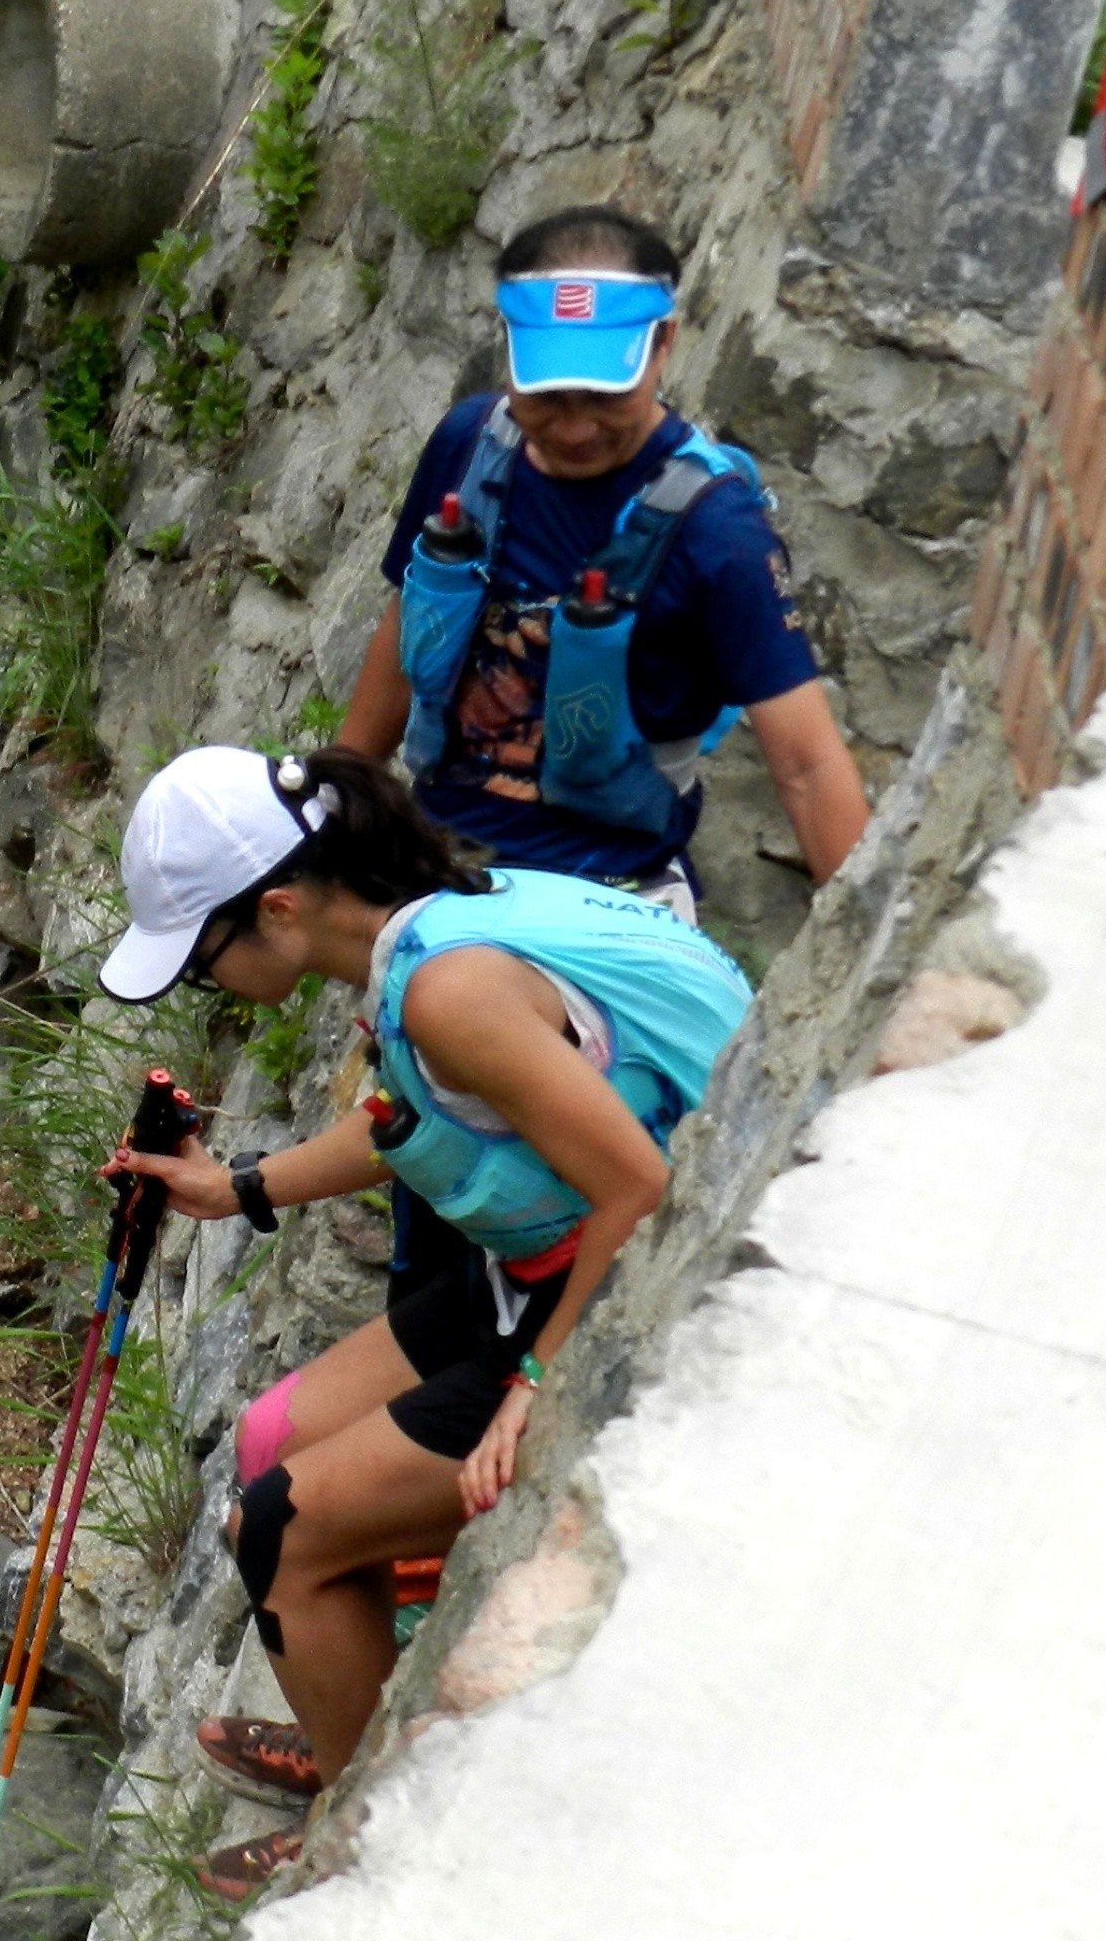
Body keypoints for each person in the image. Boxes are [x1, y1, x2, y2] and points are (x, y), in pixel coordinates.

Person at [94, 748, 752, 1897]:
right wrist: (235, 1186)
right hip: (538, 1256)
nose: (203, 988)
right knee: (268, 1438)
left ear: (279, 911)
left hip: (622, 1277)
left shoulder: (447, 990)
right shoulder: (443, 925)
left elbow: (638, 1189)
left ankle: (358, 1847)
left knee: (277, 1528)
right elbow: (409, 1113)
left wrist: (534, 1387)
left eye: (201, 963)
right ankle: (354, 1720)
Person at [331, 205, 861, 1311]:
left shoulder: (715, 530)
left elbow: (806, 764)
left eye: (602, 398)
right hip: (441, 899)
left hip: (595, 935)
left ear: (662, 348)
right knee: (433, 1205)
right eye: (550, 395)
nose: (571, 429)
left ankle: (509, 1408)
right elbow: (403, 633)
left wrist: (867, 962)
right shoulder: (466, 454)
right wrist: (330, 814)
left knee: (547, 1223)